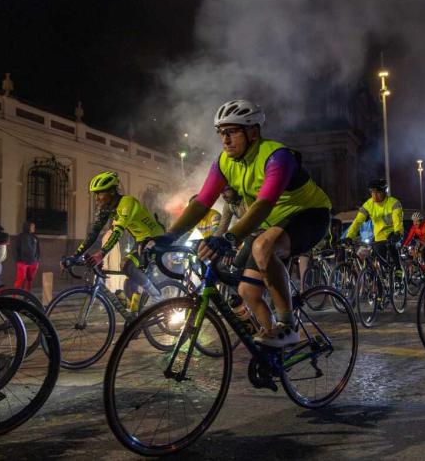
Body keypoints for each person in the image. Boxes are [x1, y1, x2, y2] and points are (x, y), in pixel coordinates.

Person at [151, 99, 332, 347]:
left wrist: (229, 239)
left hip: (309, 214)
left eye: (232, 132)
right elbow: (201, 203)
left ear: (253, 132)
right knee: (247, 292)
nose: (225, 140)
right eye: (221, 133)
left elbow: (264, 204)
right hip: (271, 224)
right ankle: (273, 346)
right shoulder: (224, 162)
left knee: (263, 246)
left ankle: (287, 325)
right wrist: (169, 236)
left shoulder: (277, 156)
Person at [68, 171, 165, 310]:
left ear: (112, 192)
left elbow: (117, 232)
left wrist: (101, 254)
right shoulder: (108, 208)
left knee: (126, 265)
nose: (97, 198)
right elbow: (93, 234)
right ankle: (136, 316)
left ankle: (157, 297)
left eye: (100, 193)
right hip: (141, 242)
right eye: (95, 194)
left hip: (155, 240)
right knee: (128, 285)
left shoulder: (127, 202)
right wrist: (74, 255)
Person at [345, 178, 404, 274]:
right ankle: (381, 278)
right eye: (372, 192)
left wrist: (398, 232)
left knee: (392, 246)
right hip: (379, 237)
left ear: (385, 191)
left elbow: (398, 221)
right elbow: (357, 221)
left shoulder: (394, 203)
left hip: (393, 233)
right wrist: (349, 236)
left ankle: (398, 270)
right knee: (377, 260)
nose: (375, 196)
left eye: (378, 192)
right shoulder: (368, 204)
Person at [14, 221, 40, 291]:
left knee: (30, 279)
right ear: (27, 227)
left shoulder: (35, 237)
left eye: (34, 227)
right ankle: (14, 295)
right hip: (22, 262)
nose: (33, 228)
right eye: (32, 227)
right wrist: (18, 260)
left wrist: (37, 260)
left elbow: (38, 250)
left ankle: (27, 295)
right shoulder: (20, 236)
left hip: (33, 262)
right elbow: (17, 249)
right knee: (20, 279)